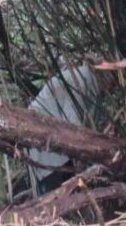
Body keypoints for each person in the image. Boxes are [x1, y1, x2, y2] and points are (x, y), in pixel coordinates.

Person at [26, 59, 109, 195]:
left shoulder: (90, 81)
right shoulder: (83, 81)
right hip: (44, 133)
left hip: (53, 134)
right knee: (53, 187)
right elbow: (73, 124)